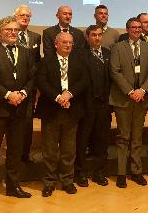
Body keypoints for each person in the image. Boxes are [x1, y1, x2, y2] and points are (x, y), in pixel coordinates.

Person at [0, 16, 35, 207]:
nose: (12, 33)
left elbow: (32, 77)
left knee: (15, 151)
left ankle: (13, 186)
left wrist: (24, 93)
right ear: (0, 32)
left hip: (20, 110)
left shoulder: (26, 53)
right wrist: (8, 94)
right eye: (8, 30)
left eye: (15, 30)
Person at [36, 32, 88, 197]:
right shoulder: (46, 61)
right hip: (51, 110)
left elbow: (84, 80)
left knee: (68, 150)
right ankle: (49, 182)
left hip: (71, 110)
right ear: (56, 44)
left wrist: (69, 94)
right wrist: (58, 97)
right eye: (64, 42)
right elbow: (41, 81)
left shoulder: (78, 61)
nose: (68, 45)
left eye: (70, 43)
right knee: (50, 151)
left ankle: (67, 180)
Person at [110, 17, 148, 188]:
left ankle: (136, 171)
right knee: (123, 137)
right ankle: (121, 173)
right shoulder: (118, 47)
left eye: (139, 27)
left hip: (141, 100)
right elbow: (114, 71)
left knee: (137, 138)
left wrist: (142, 90)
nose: (137, 30)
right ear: (127, 29)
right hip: (123, 99)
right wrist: (130, 91)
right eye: (133, 27)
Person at [118, 12, 148, 157]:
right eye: (145, 22)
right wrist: (135, 90)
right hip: (133, 90)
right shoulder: (126, 40)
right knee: (129, 128)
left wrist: (146, 87)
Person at [74, 25, 111, 187]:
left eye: (99, 35)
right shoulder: (79, 55)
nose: (97, 38)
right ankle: (80, 173)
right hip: (85, 105)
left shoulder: (108, 54)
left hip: (104, 105)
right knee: (82, 140)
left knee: (101, 140)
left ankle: (99, 172)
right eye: (93, 35)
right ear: (87, 37)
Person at [14, 5, 41, 164]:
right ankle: (14, 155)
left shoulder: (36, 37)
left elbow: (37, 62)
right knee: (14, 122)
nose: (25, 18)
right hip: (13, 88)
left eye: (28, 16)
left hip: (30, 87)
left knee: (27, 122)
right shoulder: (9, 34)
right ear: (16, 16)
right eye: (22, 15)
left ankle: (25, 154)